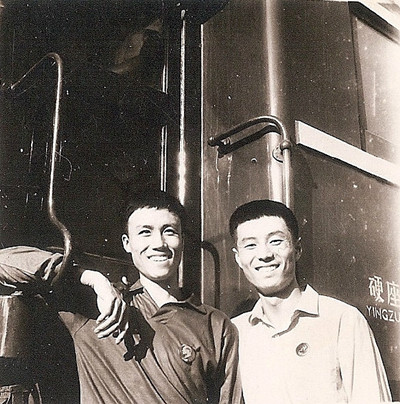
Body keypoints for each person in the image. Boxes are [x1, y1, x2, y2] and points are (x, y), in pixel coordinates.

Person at [0, 190, 243, 404]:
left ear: (182, 241)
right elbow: (5, 262)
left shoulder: (216, 325)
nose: (158, 243)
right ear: (127, 243)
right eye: (145, 232)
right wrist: (92, 279)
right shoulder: (95, 306)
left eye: (169, 231)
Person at [229, 199, 392, 404]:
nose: (264, 254)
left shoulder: (342, 320)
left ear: (297, 249)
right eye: (251, 245)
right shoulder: (235, 333)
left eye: (276, 241)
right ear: (238, 258)